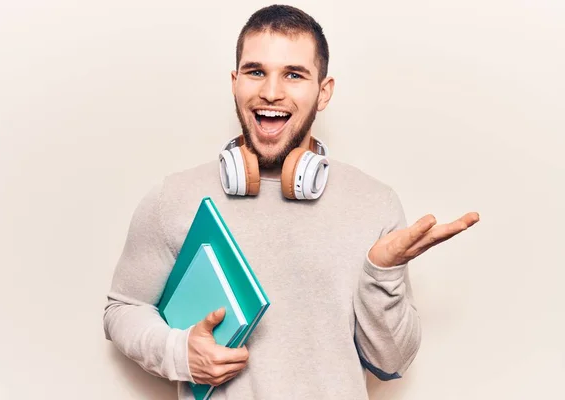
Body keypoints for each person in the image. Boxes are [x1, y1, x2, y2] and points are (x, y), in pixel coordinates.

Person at [103, 4, 480, 399]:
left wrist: (381, 273)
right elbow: (122, 309)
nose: (271, 92)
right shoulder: (174, 197)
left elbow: (392, 362)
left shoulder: (375, 202)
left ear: (324, 91)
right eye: (255, 72)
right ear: (235, 82)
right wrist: (178, 353)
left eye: (294, 75)